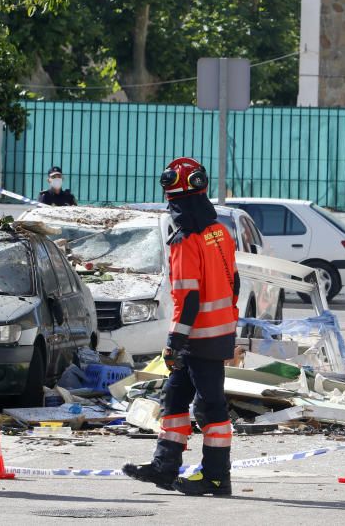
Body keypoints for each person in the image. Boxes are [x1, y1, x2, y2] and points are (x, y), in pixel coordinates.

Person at [123, 157, 239, 496]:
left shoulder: (185, 240)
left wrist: (175, 341)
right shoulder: (220, 232)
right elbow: (235, 284)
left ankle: (217, 478)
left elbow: (188, 299)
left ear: (172, 200)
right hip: (216, 333)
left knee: (210, 407)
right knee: (174, 398)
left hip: (198, 338)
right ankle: (164, 467)